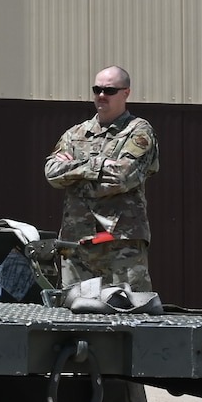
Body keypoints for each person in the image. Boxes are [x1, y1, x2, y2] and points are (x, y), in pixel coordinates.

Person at [43, 65, 159, 291]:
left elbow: (122, 178)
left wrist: (73, 174)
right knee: (76, 317)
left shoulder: (138, 131)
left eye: (109, 91)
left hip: (119, 243)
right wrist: (98, 165)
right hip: (76, 243)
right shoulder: (76, 133)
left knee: (127, 313)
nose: (101, 96)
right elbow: (51, 173)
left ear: (126, 93)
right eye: (97, 90)